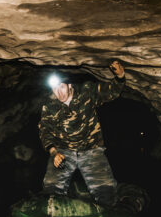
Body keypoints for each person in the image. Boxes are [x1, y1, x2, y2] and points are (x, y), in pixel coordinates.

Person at [38, 60, 126, 207]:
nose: (59, 92)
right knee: (50, 190)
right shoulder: (49, 105)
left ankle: (107, 208)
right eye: (54, 88)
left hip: (91, 149)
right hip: (64, 151)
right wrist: (54, 153)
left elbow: (111, 91)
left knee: (106, 193)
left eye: (61, 87)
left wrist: (120, 76)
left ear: (69, 85)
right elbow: (45, 130)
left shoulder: (86, 92)